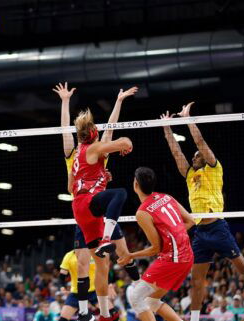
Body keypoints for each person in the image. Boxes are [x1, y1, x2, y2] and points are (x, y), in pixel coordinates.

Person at [160, 102, 244, 319]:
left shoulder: (214, 167)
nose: (195, 156)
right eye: (194, 155)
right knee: (196, 281)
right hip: (200, 233)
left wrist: (187, 119)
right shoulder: (189, 175)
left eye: (197, 155)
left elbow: (200, 142)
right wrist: (166, 128)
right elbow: (176, 152)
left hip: (217, 228)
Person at [54, 82, 139, 321]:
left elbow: (110, 130)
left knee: (116, 258)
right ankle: (83, 312)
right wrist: (64, 101)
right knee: (84, 263)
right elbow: (65, 130)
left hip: (99, 208)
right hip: (87, 206)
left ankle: (116, 306)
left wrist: (119, 101)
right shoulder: (77, 152)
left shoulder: (99, 151)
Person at [119, 167, 195, 321]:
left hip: (173, 260)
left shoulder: (142, 213)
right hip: (187, 256)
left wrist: (130, 255)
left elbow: (156, 248)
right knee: (151, 301)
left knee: (135, 297)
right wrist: (174, 235)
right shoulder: (166, 197)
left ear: (136, 185)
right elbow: (190, 221)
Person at [59, 250, 120, 321]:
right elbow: (62, 275)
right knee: (63, 319)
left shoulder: (93, 253)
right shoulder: (69, 256)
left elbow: (103, 269)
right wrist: (62, 287)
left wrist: (109, 285)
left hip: (95, 291)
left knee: (113, 315)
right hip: (76, 293)